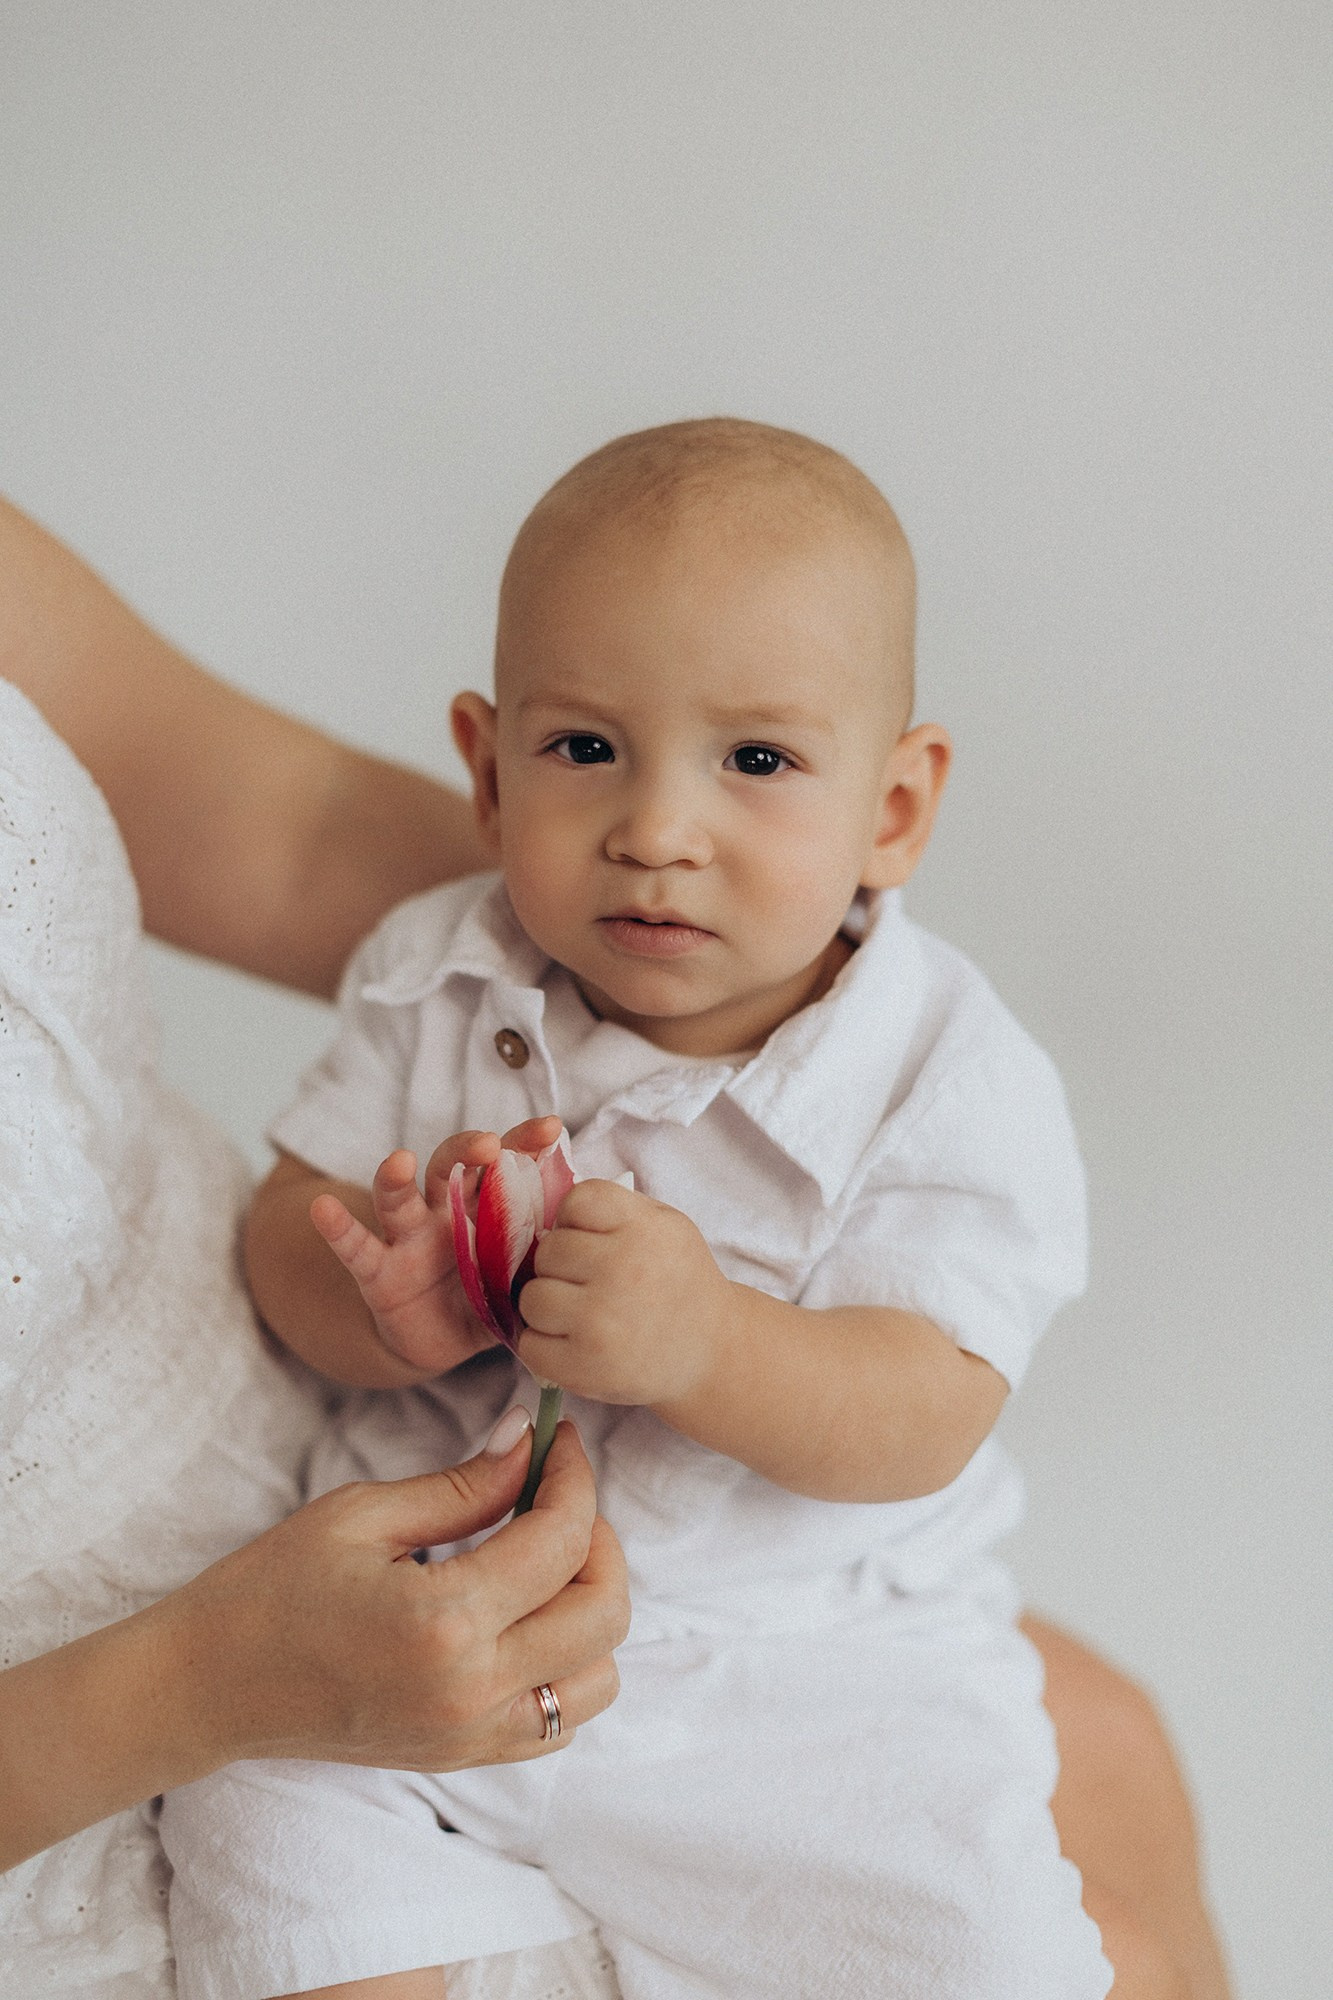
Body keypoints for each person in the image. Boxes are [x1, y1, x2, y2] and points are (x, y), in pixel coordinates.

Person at [0, 492, 1230, 2000]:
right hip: (385, 1635)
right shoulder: (439, 971)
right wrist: (378, 1298)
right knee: (273, 1850)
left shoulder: (943, 1072)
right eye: (584, 748)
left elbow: (932, 1408)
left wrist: (712, 1343)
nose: (655, 832)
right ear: (485, 770)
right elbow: (291, 1226)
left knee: (999, 1951)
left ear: (896, 808)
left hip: (799, 1682)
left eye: (756, 761)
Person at [0, 508, 630, 2000]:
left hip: (333, 1435)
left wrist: (790, 1013)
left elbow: (299, 840)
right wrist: (207, 1684)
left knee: (1102, 1746)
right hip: (96, 1749)